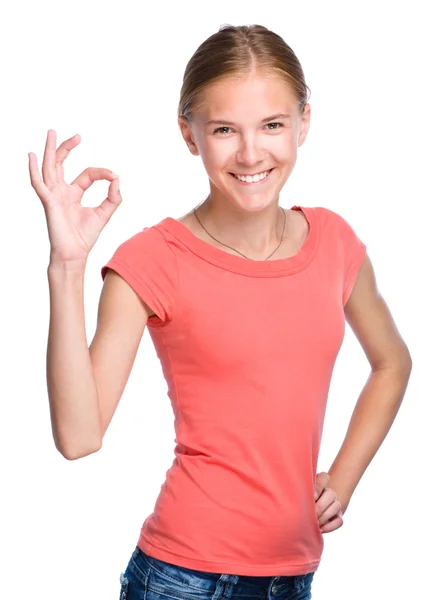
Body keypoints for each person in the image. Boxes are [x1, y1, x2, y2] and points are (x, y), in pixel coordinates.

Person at [28, 23, 412, 600]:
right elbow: (79, 437)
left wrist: (346, 477)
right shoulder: (153, 259)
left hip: (294, 576)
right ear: (189, 134)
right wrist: (67, 266)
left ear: (305, 122)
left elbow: (392, 363)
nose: (252, 153)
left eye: (273, 125)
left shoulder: (334, 242)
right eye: (225, 129)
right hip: (181, 580)